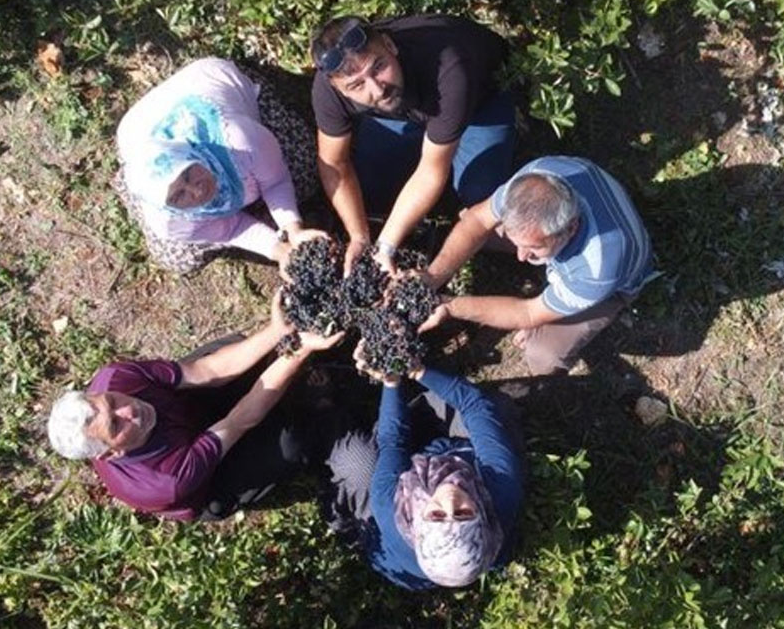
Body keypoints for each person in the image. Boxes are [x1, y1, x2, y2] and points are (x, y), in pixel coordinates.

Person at [47, 292, 343, 520]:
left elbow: (207, 372)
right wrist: (300, 350)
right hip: (206, 479)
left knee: (231, 349)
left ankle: (279, 375)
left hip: (187, 410)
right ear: (111, 453)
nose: (128, 410)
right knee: (289, 444)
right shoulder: (167, 479)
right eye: (116, 425)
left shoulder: (114, 378)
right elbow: (241, 419)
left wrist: (277, 332)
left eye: (112, 402)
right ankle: (321, 420)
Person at [309, 14, 517, 274]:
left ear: (390, 45)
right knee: (368, 189)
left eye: (378, 67)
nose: (376, 88)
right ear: (338, 89)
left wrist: (385, 246)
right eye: (357, 85)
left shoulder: (450, 68)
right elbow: (334, 164)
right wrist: (359, 236)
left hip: (479, 103)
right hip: (403, 110)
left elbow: (431, 171)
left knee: (479, 201)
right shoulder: (327, 91)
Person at [421, 155, 655, 375]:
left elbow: (527, 313)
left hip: (613, 287)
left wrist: (451, 307)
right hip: (573, 235)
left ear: (571, 228)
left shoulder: (599, 269)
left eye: (532, 249)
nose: (521, 257)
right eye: (518, 244)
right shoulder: (537, 177)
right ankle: (541, 260)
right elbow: (477, 220)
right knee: (469, 226)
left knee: (543, 355)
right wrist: (433, 276)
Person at [321, 347, 524, 589]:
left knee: (357, 462)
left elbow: (392, 442)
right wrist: (418, 370)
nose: (450, 499)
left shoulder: (388, 506)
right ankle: (432, 415)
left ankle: (323, 407)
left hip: (392, 527)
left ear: (419, 521)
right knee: (495, 410)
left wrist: (392, 382)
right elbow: (474, 406)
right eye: (463, 514)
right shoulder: (502, 489)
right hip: (454, 454)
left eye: (437, 516)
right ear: (483, 516)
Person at [116, 57, 323, 274]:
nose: (197, 190)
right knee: (176, 259)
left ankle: (248, 205)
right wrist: (277, 250)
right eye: (178, 196)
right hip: (136, 134)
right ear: (166, 207)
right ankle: (127, 180)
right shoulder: (169, 222)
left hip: (211, 80)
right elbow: (232, 229)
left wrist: (293, 228)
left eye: (187, 174)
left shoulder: (239, 141)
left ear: (190, 154)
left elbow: (276, 181)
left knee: (305, 171)